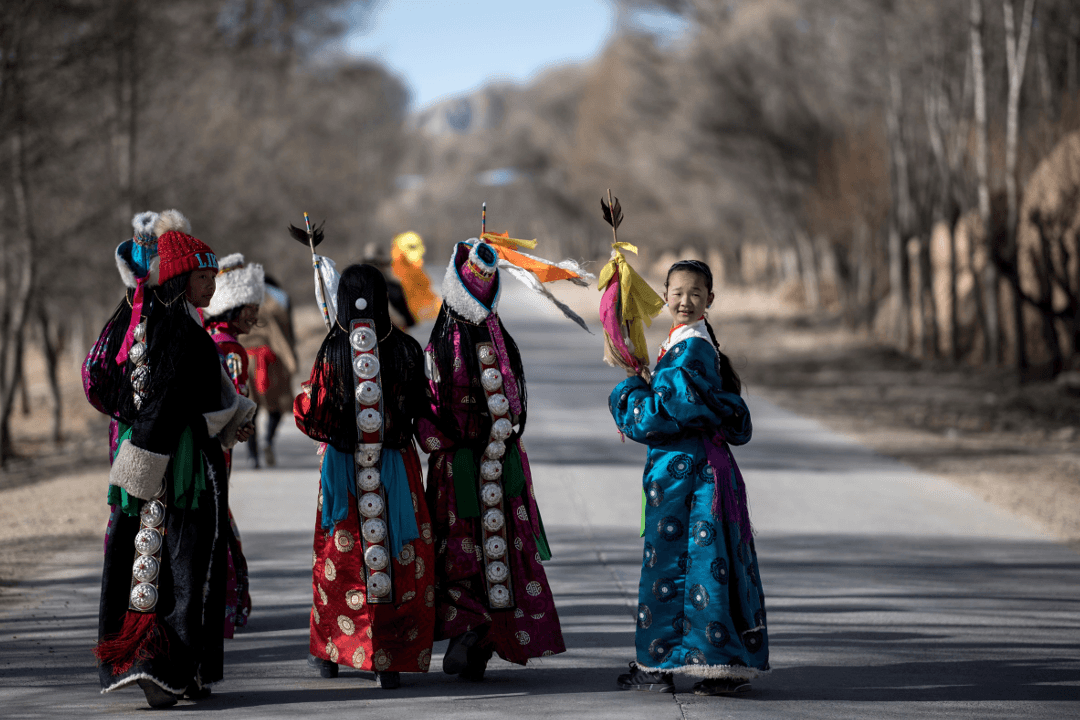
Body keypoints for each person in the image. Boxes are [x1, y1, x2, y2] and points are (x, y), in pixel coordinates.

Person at [84, 211, 256, 708]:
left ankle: (169, 666)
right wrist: (166, 442)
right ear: (183, 276)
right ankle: (165, 668)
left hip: (141, 450)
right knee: (183, 562)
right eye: (206, 277)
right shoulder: (176, 329)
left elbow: (100, 379)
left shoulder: (142, 316)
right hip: (172, 463)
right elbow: (177, 399)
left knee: (144, 556)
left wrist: (132, 429)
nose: (212, 286)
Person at [607, 259, 769, 696]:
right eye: (677, 292)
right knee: (703, 567)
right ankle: (717, 662)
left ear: (709, 301)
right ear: (664, 294)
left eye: (695, 293)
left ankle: (663, 666)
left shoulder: (692, 348)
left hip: (689, 479)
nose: (684, 301)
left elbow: (656, 418)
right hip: (694, 474)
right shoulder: (686, 344)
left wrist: (628, 390)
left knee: (677, 568)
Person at [418, 238, 566, 681]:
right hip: (459, 469)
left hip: (500, 465)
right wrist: (448, 442)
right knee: (462, 552)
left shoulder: (499, 336)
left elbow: (514, 400)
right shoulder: (440, 344)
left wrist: (503, 432)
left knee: (503, 551)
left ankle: (485, 638)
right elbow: (426, 408)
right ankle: (470, 629)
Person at [294, 263, 436, 690]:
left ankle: (333, 648)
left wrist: (311, 396)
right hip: (396, 467)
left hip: (342, 468)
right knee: (398, 553)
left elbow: (311, 415)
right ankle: (391, 654)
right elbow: (421, 409)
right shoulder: (407, 349)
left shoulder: (332, 351)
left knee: (341, 555)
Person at [204, 253, 265, 638]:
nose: (254, 320)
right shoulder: (231, 351)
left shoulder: (207, 339)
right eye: (251, 311)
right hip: (216, 448)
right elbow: (234, 408)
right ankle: (224, 606)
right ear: (234, 306)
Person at [241, 274, 297, 468]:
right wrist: (291, 361)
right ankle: (269, 440)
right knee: (277, 405)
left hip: (245, 360)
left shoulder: (236, 299)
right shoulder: (279, 298)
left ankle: (252, 455)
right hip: (273, 359)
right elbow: (288, 334)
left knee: (249, 410)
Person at [361, 241, 415, 329]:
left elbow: (406, 320)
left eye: (376, 264)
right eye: (370, 264)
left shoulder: (394, 288)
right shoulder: (357, 289)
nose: (373, 268)